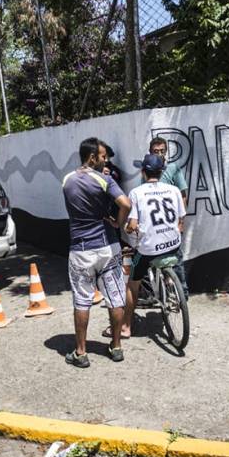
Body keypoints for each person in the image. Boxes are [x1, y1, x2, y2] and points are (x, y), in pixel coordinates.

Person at [62, 137, 131, 368]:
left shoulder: (67, 181)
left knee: (82, 301)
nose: (106, 160)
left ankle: (81, 352)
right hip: (108, 246)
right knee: (115, 298)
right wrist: (117, 224)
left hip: (80, 249)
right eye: (103, 157)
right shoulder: (104, 179)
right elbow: (126, 204)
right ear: (92, 158)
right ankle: (116, 347)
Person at [120, 153, 186, 338]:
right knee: (166, 256)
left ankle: (126, 326)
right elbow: (182, 217)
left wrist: (127, 228)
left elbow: (132, 224)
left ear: (143, 172)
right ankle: (170, 286)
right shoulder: (173, 190)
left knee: (133, 283)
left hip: (149, 249)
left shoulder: (137, 193)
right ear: (161, 171)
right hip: (173, 244)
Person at [140, 137, 190, 299]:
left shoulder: (173, 168)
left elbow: (183, 196)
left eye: (162, 151)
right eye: (156, 151)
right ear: (150, 152)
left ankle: (183, 293)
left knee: (177, 259)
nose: (160, 154)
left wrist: (180, 222)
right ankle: (157, 294)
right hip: (155, 225)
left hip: (172, 223)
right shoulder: (147, 169)